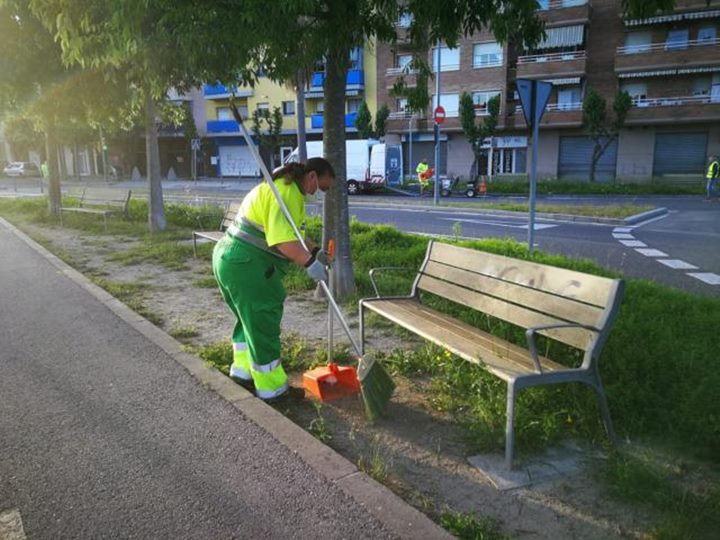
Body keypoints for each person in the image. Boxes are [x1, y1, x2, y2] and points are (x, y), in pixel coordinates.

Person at [212, 158, 335, 400]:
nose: (317, 194)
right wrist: (310, 264)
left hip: (227, 257)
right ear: (311, 176)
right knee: (263, 322)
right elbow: (281, 241)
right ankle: (273, 390)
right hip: (249, 265)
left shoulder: (279, 187)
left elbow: (293, 233)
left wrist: (314, 251)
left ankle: (243, 372)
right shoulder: (288, 192)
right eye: (321, 187)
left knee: (247, 321)